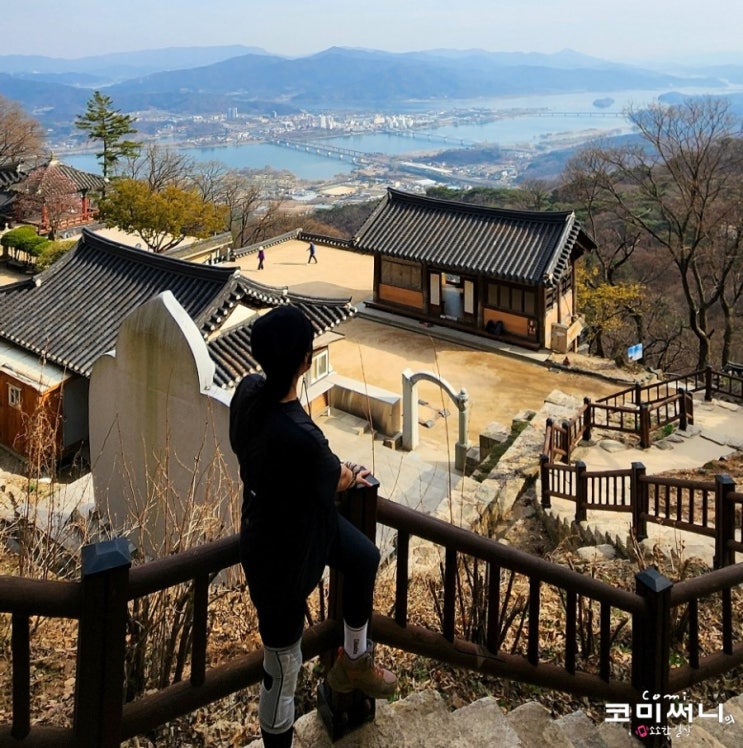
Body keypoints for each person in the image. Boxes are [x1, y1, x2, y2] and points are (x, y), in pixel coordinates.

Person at [229, 305, 396, 748]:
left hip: (286, 523)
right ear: (305, 362)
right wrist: (346, 473)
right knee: (282, 668)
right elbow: (336, 476)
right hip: (282, 560)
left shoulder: (246, 395)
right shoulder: (303, 438)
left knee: (364, 558)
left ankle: (354, 660)